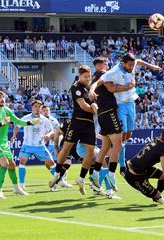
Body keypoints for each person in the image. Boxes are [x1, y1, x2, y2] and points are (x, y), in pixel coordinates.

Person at [92, 53, 162, 182]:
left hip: (131, 104)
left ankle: (114, 157)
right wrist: (91, 90)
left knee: (128, 135)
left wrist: (153, 66)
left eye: (132, 64)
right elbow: (100, 81)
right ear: (123, 63)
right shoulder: (114, 71)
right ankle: (117, 165)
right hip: (120, 106)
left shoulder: (132, 64)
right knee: (119, 140)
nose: (132, 67)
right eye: (129, 65)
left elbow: (139, 61)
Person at [49, 65, 98, 195]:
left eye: (89, 76)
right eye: (85, 76)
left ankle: (81, 178)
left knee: (91, 151)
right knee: (66, 148)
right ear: (79, 75)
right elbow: (83, 106)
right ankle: (57, 174)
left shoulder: (90, 87)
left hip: (89, 124)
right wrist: (94, 108)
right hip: (77, 122)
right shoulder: (76, 86)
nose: (88, 79)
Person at [88, 57, 133, 192]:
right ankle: (111, 175)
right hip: (109, 111)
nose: (108, 66)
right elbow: (111, 87)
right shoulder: (103, 74)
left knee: (106, 146)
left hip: (102, 113)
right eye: (106, 63)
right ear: (101, 65)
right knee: (118, 145)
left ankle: (95, 174)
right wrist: (128, 86)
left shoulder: (94, 77)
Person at [0, 90, 41, 199]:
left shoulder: (7, 110)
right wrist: (2, 123)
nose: (3, 99)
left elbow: (18, 122)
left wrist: (30, 122)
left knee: (12, 165)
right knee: (4, 163)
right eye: (0, 97)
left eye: (3, 97)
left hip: (3, 143)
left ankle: (16, 188)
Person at [11, 100, 55, 190]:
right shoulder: (26, 118)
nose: (37, 108)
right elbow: (17, 125)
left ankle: (57, 181)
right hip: (27, 145)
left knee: (51, 163)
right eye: (35, 106)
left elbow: (52, 130)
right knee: (22, 162)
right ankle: (22, 185)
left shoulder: (44, 119)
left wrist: (48, 135)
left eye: (39, 107)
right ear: (32, 108)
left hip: (40, 146)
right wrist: (14, 135)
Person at [41, 105, 73, 189]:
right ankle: (60, 177)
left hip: (57, 143)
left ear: (49, 111)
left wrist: (51, 137)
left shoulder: (53, 120)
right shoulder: (40, 120)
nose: (45, 112)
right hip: (49, 144)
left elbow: (58, 133)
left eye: (47, 110)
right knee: (47, 164)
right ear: (41, 112)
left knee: (63, 161)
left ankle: (60, 179)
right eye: (44, 110)